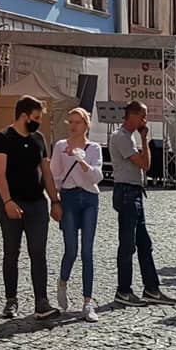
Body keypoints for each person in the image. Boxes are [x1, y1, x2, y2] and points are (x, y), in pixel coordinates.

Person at [0, 96, 62, 320]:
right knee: (11, 252)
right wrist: (8, 201)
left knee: (38, 253)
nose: (38, 122)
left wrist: (55, 200)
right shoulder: (3, 138)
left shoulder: (39, 139)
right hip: (12, 203)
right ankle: (11, 300)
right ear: (24, 116)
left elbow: (46, 172)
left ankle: (41, 301)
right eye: (36, 118)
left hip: (37, 204)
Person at [109, 100, 175, 307]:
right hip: (127, 192)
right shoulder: (122, 138)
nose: (145, 121)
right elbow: (145, 165)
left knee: (144, 244)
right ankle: (123, 290)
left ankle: (151, 288)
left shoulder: (128, 137)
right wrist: (144, 138)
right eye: (143, 116)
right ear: (133, 116)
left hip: (135, 192)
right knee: (128, 245)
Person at [52, 107, 105, 320]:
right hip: (70, 199)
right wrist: (56, 201)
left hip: (90, 199)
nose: (74, 126)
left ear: (86, 125)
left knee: (87, 251)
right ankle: (63, 282)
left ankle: (87, 303)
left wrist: (81, 160)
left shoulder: (94, 148)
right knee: (71, 249)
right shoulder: (60, 146)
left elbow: (97, 176)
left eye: (78, 122)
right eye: (71, 122)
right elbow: (55, 175)